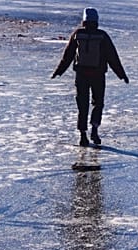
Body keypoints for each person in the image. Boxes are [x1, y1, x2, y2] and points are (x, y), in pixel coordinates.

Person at [51, 8, 129, 147]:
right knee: (97, 103)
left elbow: (68, 55)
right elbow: (113, 57)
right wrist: (121, 75)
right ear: (96, 21)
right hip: (98, 75)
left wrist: (59, 71)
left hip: (81, 75)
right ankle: (94, 130)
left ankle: (83, 136)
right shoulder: (102, 36)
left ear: (84, 20)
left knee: (82, 105)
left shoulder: (77, 34)